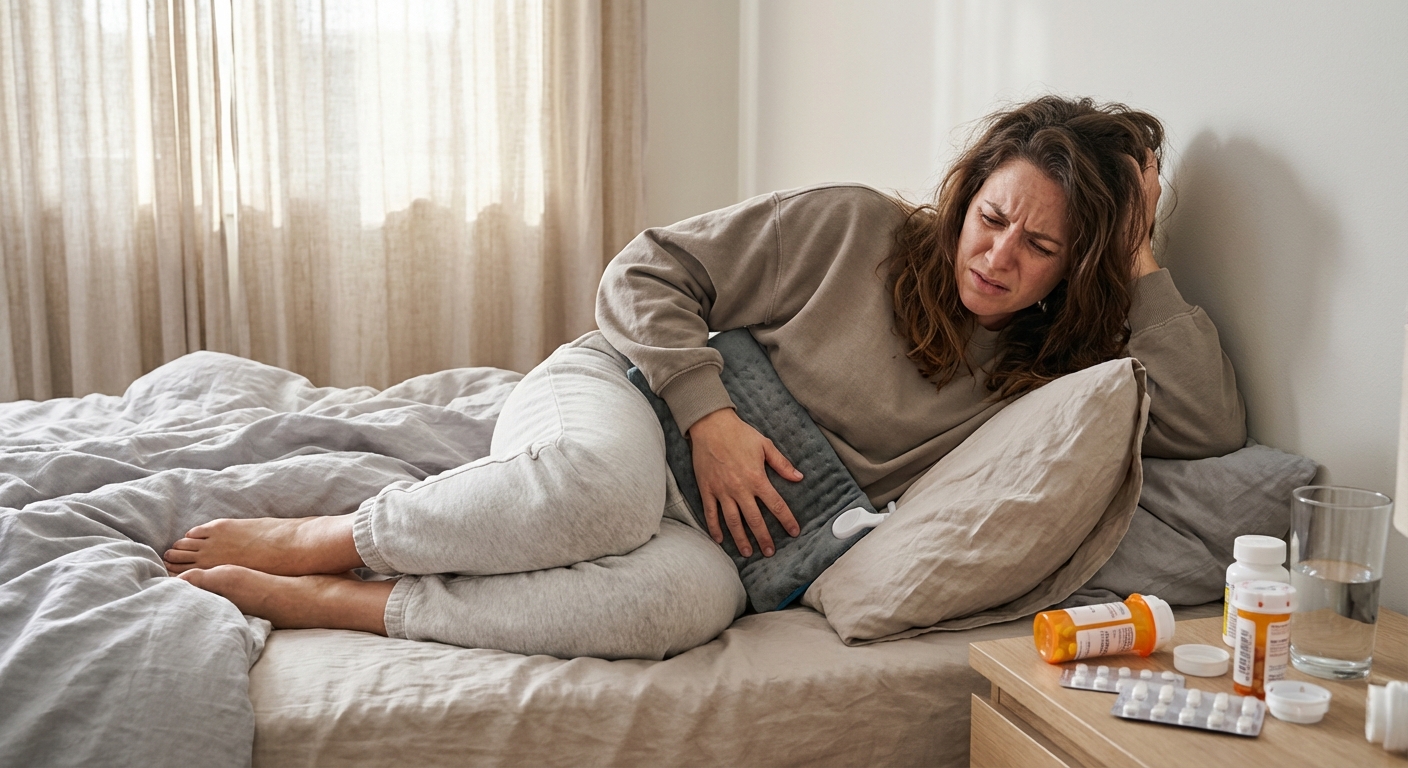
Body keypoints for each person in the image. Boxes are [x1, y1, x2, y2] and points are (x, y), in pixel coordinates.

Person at [164, 96, 1245, 660]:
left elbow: (1202, 420)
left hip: (717, 538)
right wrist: (709, 414)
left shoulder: (1046, 372)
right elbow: (645, 269)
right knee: (604, 492)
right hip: (622, 393)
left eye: (1041, 248)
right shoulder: (854, 226)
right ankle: (329, 537)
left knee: (683, 606)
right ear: (965, 197)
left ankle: (347, 605)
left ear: (1079, 267)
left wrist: (1141, 262)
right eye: (991, 217)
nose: (997, 256)